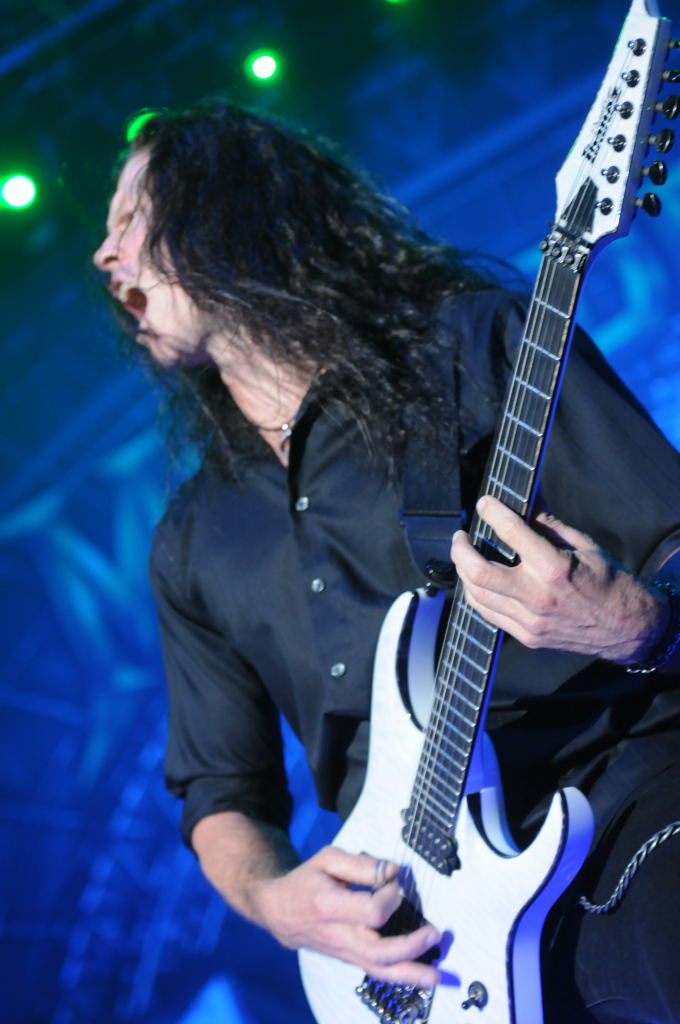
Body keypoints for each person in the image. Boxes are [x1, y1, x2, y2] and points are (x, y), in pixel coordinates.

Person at [94, 100, 680, 1022]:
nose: (105, 254)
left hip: (619, 801)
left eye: (130, 219)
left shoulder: (477, 347)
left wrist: (637, 624)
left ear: (229, 211)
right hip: (423, 931)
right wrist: (275, 899)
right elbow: (222, 791)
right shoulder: (195, 537)